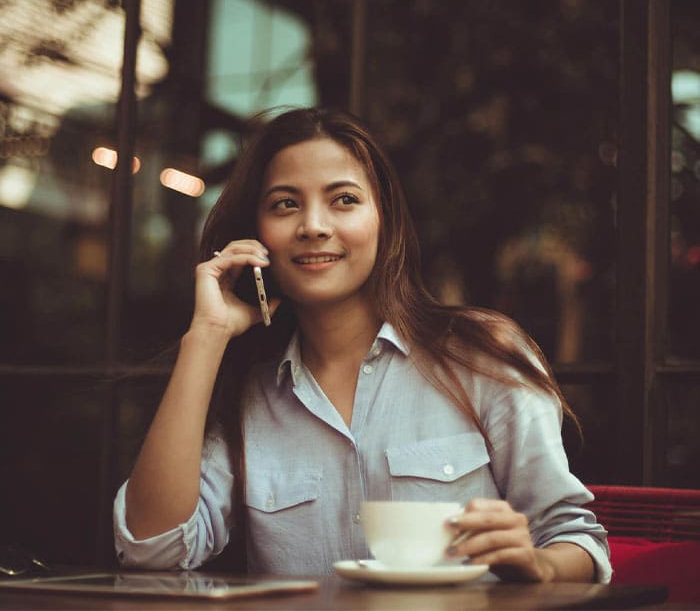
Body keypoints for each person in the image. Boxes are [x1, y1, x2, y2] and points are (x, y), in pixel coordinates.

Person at [113, 107, 611, 583]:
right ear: (257, 235)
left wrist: (538, 565)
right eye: (286, 203)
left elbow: (577, 541)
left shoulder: (480, 356)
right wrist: (206, 336)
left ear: (383, 220)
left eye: (344, 200)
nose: (313, 225)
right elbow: (150, 549)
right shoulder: (249, 394)